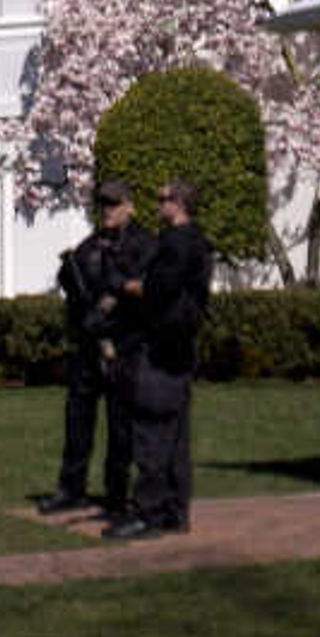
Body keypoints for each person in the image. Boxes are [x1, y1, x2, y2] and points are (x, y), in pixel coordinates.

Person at [104, 179, 212, 541]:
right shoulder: (199, 241)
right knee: (177, 434)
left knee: (150, 430)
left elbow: (157, 289)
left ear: (179, 203)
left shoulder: (176, 244)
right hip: (183, 347)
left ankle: (148, 513)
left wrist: (123, 286)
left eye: (163, 199)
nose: (157, 204)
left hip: (162, 348)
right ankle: (175, 511)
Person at [38, 182, 141, 516]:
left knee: (120, 424)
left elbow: (143, 289)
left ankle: (116, 495)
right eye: (104, 205)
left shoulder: (142, 244)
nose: (108, 210)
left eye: (114, 204)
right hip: (88, 345)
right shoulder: (89, 245)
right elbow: (74, 287)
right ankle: (71, 488)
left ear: (129, 206)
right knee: (77, 418)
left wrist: (111, 311)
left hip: (122, 344)